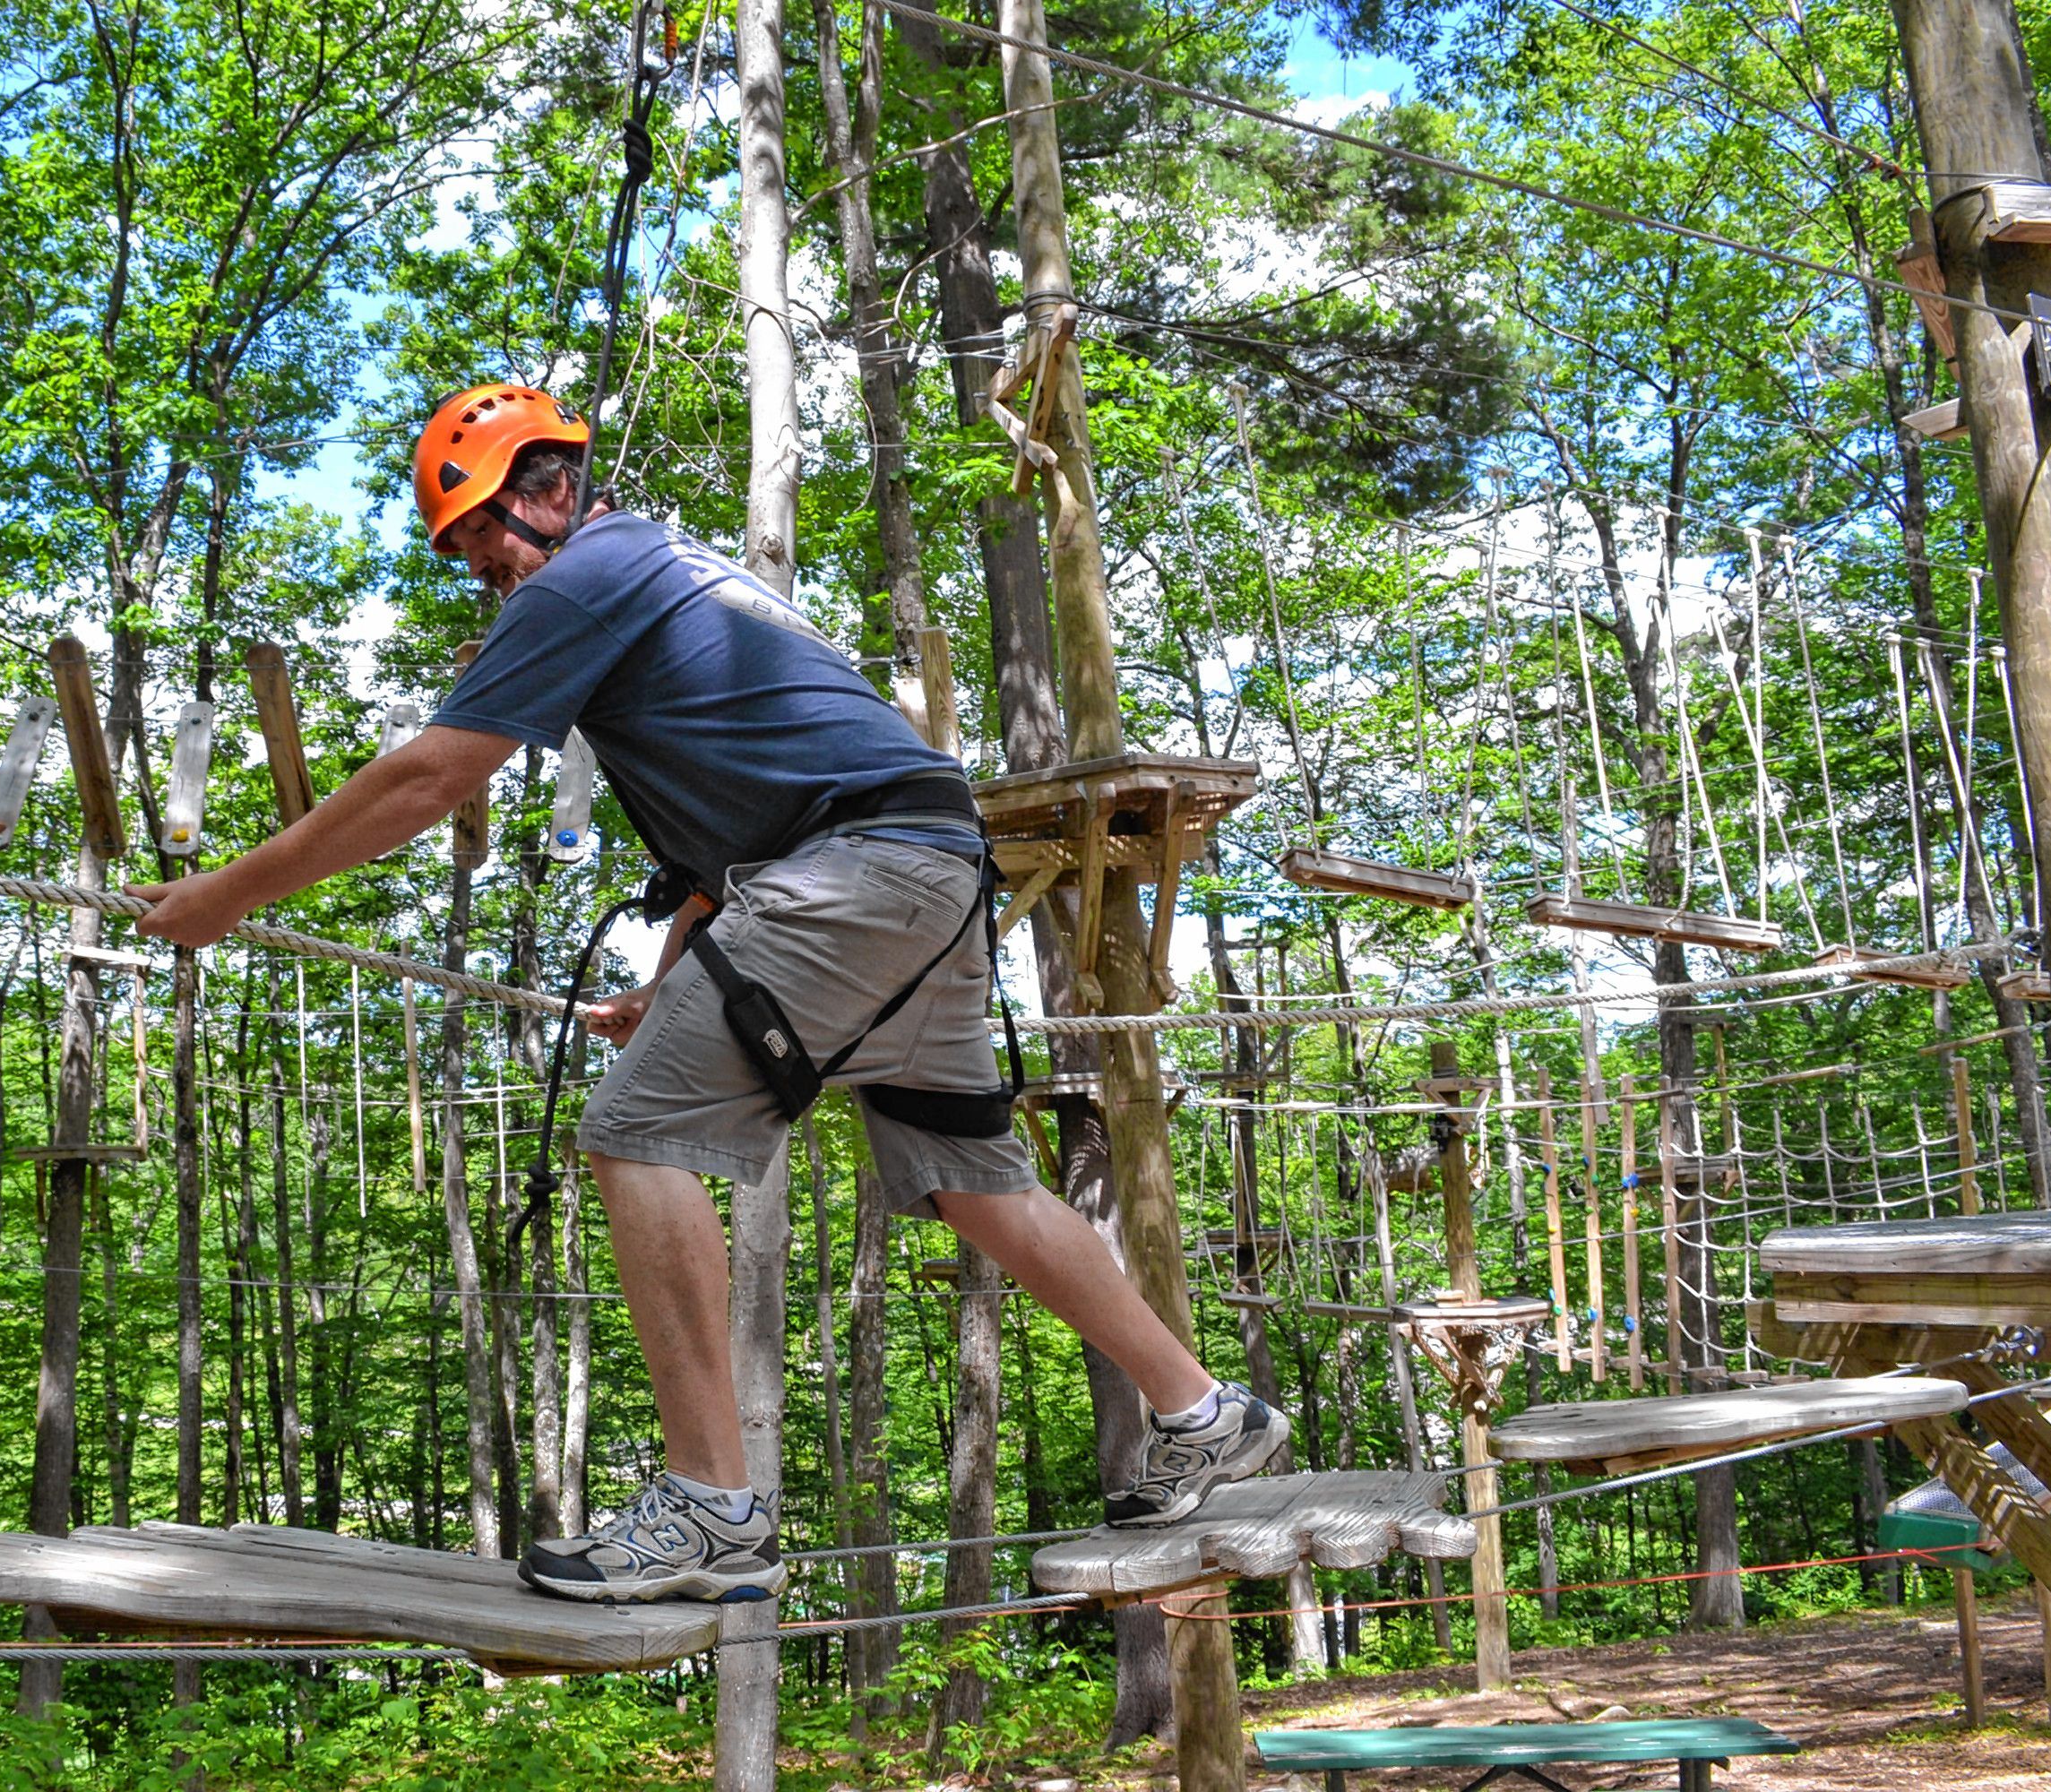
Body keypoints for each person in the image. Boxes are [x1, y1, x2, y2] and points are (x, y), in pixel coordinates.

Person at [132, 383, 1287, 1604]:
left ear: (549, 488)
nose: (481, 570)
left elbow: (434, 775)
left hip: (856, 872)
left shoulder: (588, 575)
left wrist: (233, 894)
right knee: (971, 1181)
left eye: (482, 534)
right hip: (919, 867)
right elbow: (721, 855)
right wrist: (674, 989)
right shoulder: (674, 585)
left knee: (636, 1134)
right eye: (462, 550)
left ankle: (712, 1509)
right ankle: (1203, 1411)